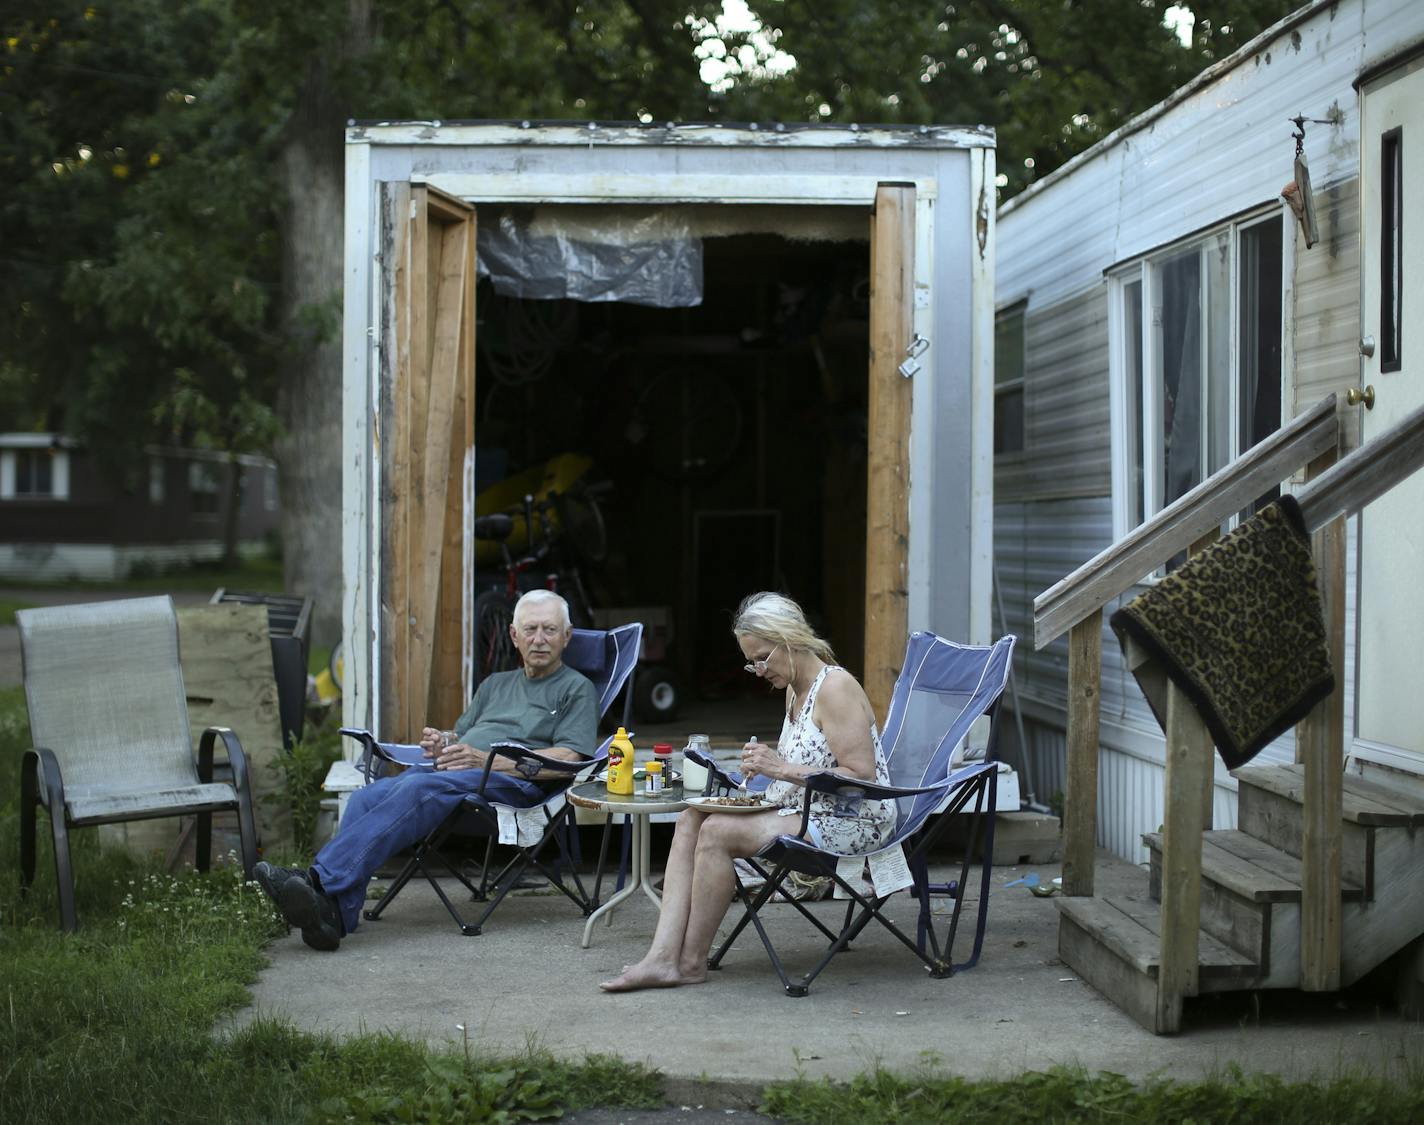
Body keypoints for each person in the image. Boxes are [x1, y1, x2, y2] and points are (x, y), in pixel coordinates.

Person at [254, 589, 598, 951]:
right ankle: (334, 918)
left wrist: (484, 761)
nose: (539, 639)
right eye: (530, 629)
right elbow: (463, 735)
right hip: (457, 778)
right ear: (514, 635)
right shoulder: (495, 685)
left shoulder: (576, 689)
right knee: (366, 797)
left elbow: (568, 760)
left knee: (419, 789)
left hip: (514, 787)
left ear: (567, 636)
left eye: (550, 630)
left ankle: (316, 880)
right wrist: (444, 743)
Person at [600, 591, 896, 992]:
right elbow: (812, 761)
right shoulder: (795, 689)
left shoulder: (835, 688)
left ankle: (688, 963)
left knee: (719, 833)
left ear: (789, 640)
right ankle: (661, 956)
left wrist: (779, 767)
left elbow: (862, 778)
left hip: (854, 821)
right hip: (806, 810)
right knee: (691, 818)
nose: (756, 670)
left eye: (762, 658)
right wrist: (766, 764)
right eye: (750, 661)